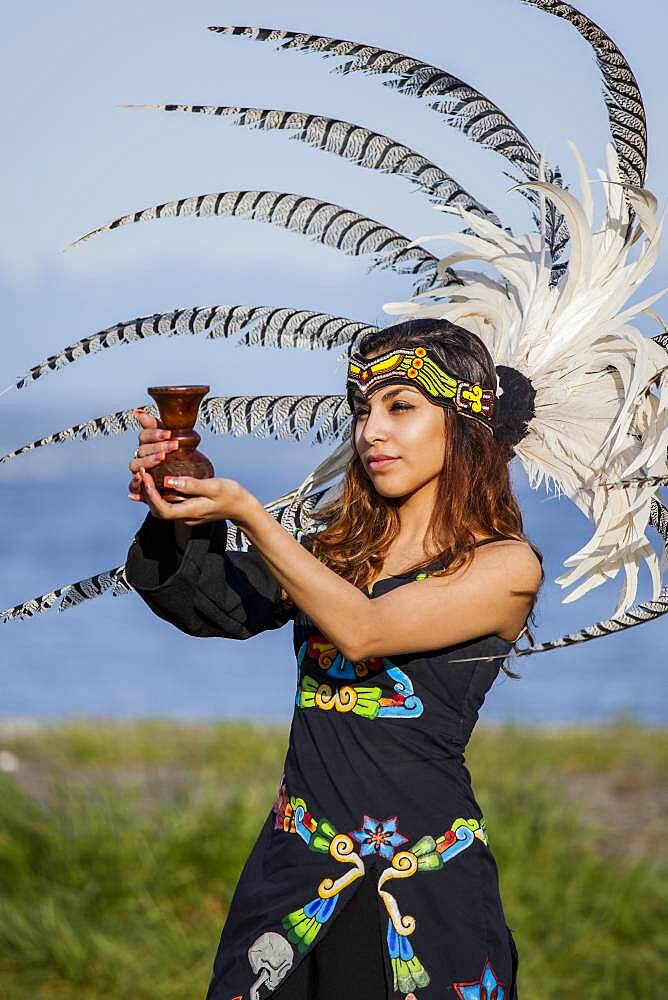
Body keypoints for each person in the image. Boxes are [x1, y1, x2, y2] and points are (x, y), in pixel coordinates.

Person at [125, 317, 544, 1000]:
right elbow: (215, 608)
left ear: (464, 425)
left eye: (400, 407)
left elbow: (365, 631)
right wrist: (176, 511)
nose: (371, 431)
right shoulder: (336, 551)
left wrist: (251, 515)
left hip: (426, 893)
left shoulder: (504, 566)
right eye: (361, 410)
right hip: (291, 880)